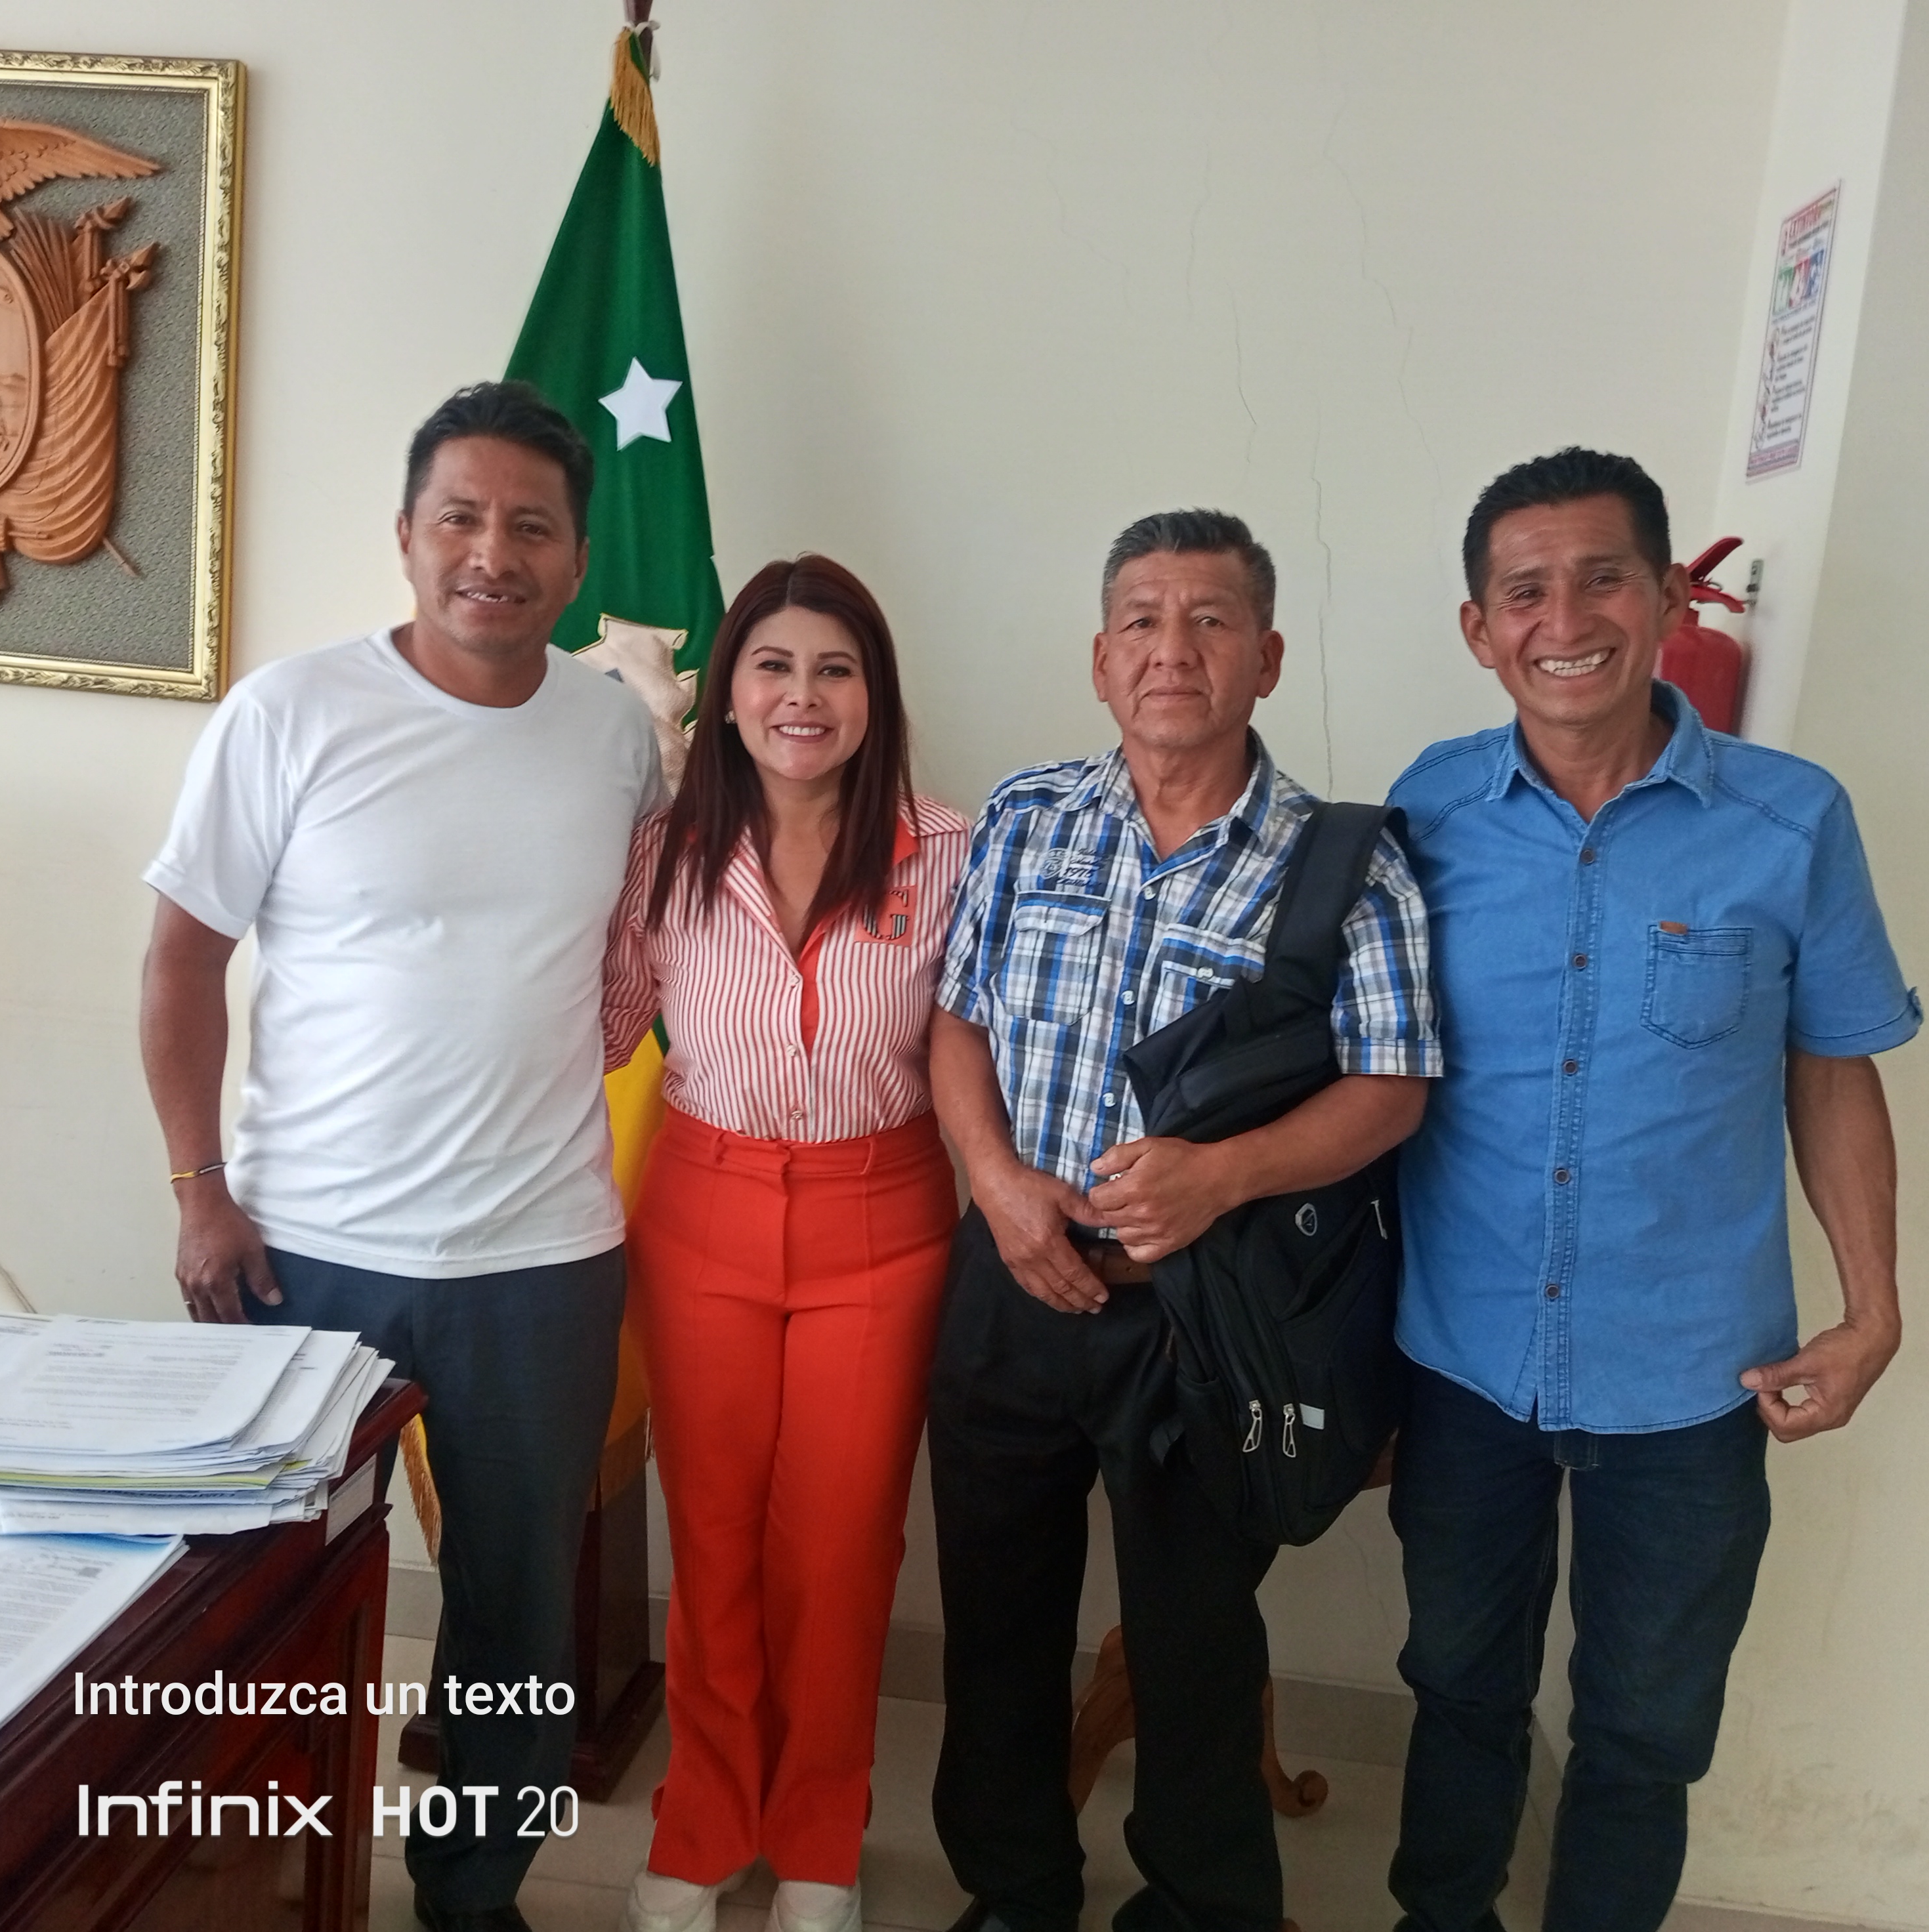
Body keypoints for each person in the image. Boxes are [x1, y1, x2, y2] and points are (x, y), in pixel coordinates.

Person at [139, 381, 668, 1932]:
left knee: (518, 1614)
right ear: (407, 534)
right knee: (265, 1593)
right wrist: (198, 1191)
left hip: (540, 1259)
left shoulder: (614, 737)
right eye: (462, 518)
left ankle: (474, 1894)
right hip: (302, 1252)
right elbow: (180, 959)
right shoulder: (289, 712)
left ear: (576, 559)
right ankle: (257, 1884)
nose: (492, 553)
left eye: (530, 526)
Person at [1385, 448, 1919, 1932]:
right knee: (1457, 1686)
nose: (1565, 620)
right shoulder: (1425, 812)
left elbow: (1830, 1070)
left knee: (1643, 1730)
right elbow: (1368, 1068)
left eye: (1603, 577)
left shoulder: (1790, 821)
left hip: (1692, 1377)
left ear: (1670, 595)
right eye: (1524, 592)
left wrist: (1872, 1310)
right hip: (1464, 1362)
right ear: (1478, 629)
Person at [929, 509, 1439, 1932]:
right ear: (1100, 660)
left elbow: (1394, 1085)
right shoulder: (1027, 816)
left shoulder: (1342, 861)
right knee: (996, 1619)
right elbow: (955, 1021)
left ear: (1265, 658)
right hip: (1013, 1280)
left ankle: (1203, 1905)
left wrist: (1223, 1175)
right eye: (1142, 621)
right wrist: (996, 1182)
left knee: (1195, 1638)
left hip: (1206, 1318)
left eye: (1210, 619)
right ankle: (1016, 1889)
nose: (1173, 649)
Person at [603, 555, 969, 1932]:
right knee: (710, 1539)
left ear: (874, 693)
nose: (801, 695)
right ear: (728, 690)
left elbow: (979, 1043)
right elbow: (600, 1026)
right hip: (700, 1208)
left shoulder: (951, 849)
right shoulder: (663, 850)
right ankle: (705, 1820)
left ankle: (819, 1831)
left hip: (884, 1221)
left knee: (840, 1546)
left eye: (833, 668)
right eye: (772, 665)